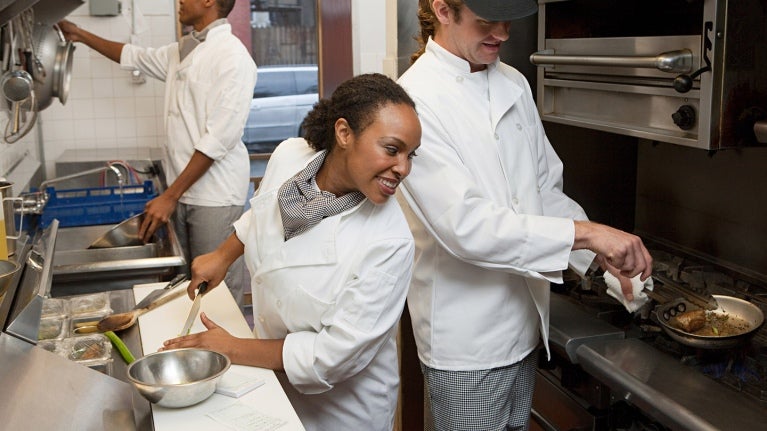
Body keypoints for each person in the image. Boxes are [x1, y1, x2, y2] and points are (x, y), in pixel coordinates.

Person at [395, 1, 654, 430]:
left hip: (526, 326)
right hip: (468, 344)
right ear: (443, 10)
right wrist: (589, 235)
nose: (503, 32)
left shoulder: (513, 81)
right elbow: (466, 228)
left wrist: (598, 259)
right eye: (486, 21)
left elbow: (542, 189)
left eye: (508, 19)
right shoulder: (414, 102)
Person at [160, 73, 422, 431]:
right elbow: (262, 212)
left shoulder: (389, 242)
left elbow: (331, 357)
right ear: (344, 134)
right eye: (392, 150)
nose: (403, 168)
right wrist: (222, 255)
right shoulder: (290, 157)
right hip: (270, 387)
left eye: (410, 155)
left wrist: (232, 348)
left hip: (341, 414)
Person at [58, 0, 257, 310]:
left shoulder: (233, 57)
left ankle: (223, 355)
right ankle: (194, 353)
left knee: (216, 290)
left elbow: (219, 139)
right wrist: (80, 34)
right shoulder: (183, 50)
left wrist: (170, 196)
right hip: (182, 190)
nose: (179, 1)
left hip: (215, 195)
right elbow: (131, 55)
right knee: (186, 284)